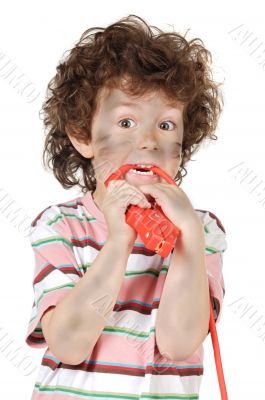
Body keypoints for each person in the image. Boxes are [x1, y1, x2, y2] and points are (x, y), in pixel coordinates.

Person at [25, 14, 228, 399]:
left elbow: (179, 342)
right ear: (83, 136)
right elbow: (68, 344)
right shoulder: (62, 226)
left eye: (166, 125)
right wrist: (118, 241)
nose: (148, 141)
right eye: (126, 122)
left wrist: (188, 239)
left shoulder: (204, 231)